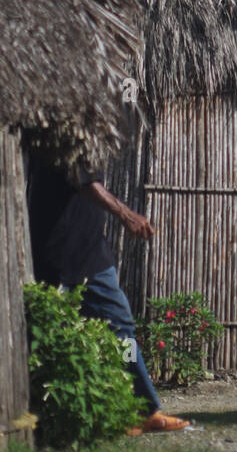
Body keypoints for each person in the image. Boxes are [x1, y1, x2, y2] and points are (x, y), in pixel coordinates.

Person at [26, 144, 189, 433]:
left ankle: (141, 409)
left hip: (89, 252)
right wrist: (127, 215)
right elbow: (85, 180)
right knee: (53, 330)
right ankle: (51, 415)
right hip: (61, 253)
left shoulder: (81, 130)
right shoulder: (72, 127)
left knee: (119, 326)